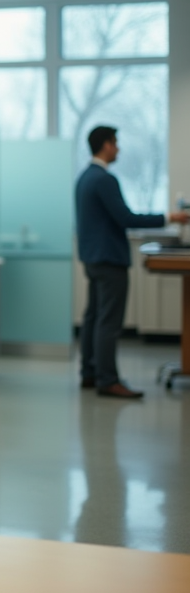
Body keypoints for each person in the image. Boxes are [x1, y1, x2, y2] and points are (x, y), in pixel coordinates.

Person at [75, 125, 188, 399]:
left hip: (92, 258)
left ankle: (90, 373)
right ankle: (108, 379)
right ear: (105, 145)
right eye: (115, 143)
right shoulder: (104, 179)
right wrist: (169, 218)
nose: (119, 148)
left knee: (93, 317)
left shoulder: (84, 178)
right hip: (109, 259)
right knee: (109, 322)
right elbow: (126, 218)